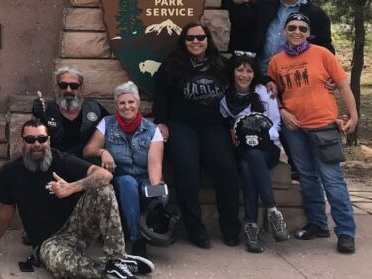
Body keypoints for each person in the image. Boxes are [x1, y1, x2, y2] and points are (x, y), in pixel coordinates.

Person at [0, 119, 153, 279]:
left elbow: (106, 176)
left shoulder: (61, 160)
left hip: (77, 228)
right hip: (48, 242)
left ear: (48, 140)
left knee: (102, 189)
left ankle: (117, 257)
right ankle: (110, 266)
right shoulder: (10, 171)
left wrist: (71, 188)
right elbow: (6, 210)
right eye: (30, 139)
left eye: (42, 139)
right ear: (22, 142)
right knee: (60, 267)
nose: (37, 144)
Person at [268, 13, 359, 254]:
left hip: (323, 125)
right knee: (307, 177)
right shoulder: (276, 61)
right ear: (285, 31)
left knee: (332, 179)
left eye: (302, 28)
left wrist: (353, 115)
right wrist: (282, 112)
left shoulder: (322, 54)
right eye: (292, 27)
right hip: (295, 128)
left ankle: (346, 231)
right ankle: (318, 224)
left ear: (309, 33)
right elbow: (273, 93)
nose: (297, 32)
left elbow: (341, 85)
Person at [152, 21, 241, 248]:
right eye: (190, 38)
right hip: (182, 124)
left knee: (226, 169)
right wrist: (161, 121)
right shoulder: (172, 65)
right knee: (187, 169)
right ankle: (195, 230)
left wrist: (267, 81)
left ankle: (230, 227)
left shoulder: (221, 64)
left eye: (200, 37)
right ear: (183, 42)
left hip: (214, 125)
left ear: (207, 40)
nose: (195, 42)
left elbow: (246, 76)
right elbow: (160, 94)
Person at [83, 82, 166, 257]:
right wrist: (103, 151)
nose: (127, 106)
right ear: (116, 106)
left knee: (162, 195)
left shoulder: (152, 129)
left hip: (144, 176)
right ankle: (137, 240)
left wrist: (155, 190)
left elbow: (154, 164)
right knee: (128, 184)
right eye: (122, 103)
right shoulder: (107, 123)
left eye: (131, 102)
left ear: (138, 104)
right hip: (120, 176)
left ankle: (149, 231)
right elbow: (87, 150)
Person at [219, 52, 288, 254]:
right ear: (232, 72)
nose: (244, 75)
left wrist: (262, 138)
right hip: (240, 149)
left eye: (249, 71)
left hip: (267, 148)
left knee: (251, 160)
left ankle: (252, 224)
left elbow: (276, 124)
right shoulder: (224, 96)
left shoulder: (264, 91)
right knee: (247, 162)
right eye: (240, 70)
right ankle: (272, 212)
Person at [250, 0, 333, 74]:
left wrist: (330, 73)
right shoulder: (262, 5)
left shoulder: (317, 15)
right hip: (260, 74)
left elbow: (325, 48)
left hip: (294, 78)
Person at [31, 65, 109, 158]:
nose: (68, 90)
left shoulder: (95, 109)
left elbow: (112, 127)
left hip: (86, 165)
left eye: (74, 86)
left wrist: (104, 153)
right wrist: (36, 116)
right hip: (53, 162)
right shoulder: (46, 108)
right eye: (63, 85)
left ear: (82, 88)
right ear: (57, 87)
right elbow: (31, 137)